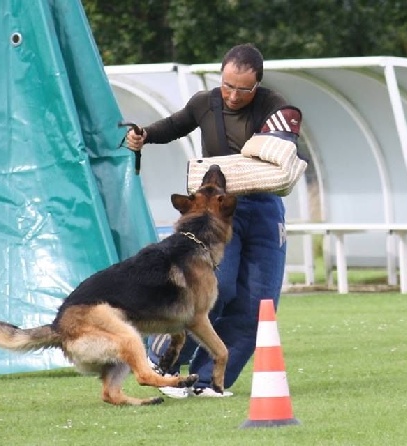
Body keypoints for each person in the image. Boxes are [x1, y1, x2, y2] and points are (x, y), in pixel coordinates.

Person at [125, 43, 302, 398]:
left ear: (258, 85)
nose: (234, 95)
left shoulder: (277, 107)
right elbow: (174, 125)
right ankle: (165, 363)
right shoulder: (205, 103)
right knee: (214, 295)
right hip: (215, 214)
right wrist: (143, 135)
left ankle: (209, 382)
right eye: (227, 86)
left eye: (243, 89)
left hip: (264, 209)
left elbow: (282, 144)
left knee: (258, 306)